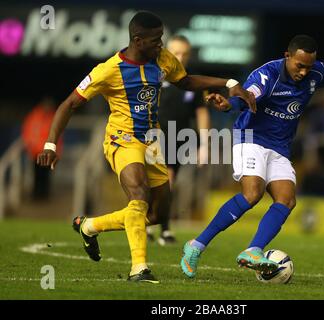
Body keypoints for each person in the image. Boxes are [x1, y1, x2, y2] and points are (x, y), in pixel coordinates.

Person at [36, 11, 255, 284]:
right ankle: (139, 268)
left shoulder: (162, 59)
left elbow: (185, 81)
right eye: (155, 40)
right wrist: (50, 144)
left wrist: (229, 83)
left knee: (158, 213)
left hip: (152, 141)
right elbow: (68, 104)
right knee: (138, 194)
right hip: (122, 138)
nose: (160, 44)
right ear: (137, 40)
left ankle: (89, 226)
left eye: (161, 39)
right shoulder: (108, 71)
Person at [180, 34, 324, 278]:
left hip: (281, 146)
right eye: (300, 65)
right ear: (287, 56)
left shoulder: (316, 72)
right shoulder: (267, 75)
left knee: (286, 199)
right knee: (253, 193)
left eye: (309, 66)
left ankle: (253, 250)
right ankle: (196, 246)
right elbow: (248, 96)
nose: (304, 72)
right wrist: (229, 104)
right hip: (251, 137)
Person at [147, 35, 211, 245]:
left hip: (180, 139)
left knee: (167, 183)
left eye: (185, 53)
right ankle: (162, 228)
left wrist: (205, 144)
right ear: (167, 52)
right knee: (163, 181)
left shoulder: (191, 83)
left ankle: (154, 225)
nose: (180, 57)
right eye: (176, 52)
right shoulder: (153, 76)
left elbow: (201, 114)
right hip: (154, 137)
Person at [21, 96, 62, 200]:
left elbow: (58, 136)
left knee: (45, 176)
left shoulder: (53, 117)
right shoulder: (34, 116)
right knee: (36, 175)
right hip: (36, 153)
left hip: (48, 153)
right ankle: (36, 195)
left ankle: (44, 196)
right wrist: (30, 146)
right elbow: (27, 132)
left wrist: (57, 151)